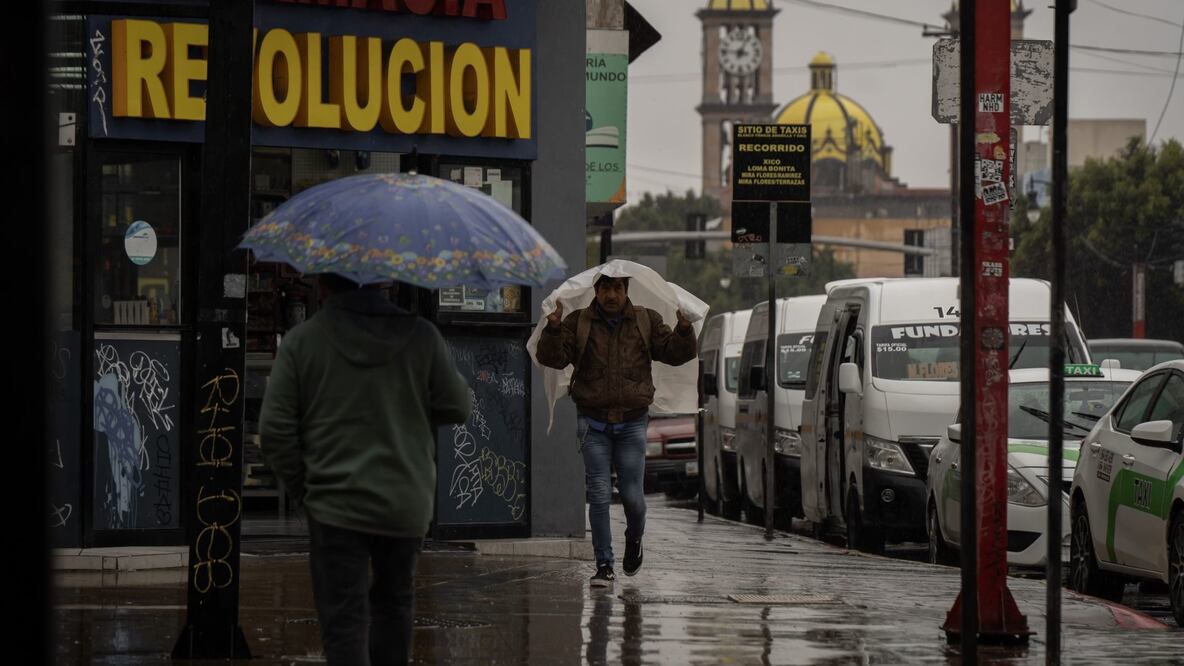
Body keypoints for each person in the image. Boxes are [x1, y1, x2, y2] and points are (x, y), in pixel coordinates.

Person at [260, 275, 471, 666]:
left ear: (323, 286)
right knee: (394, 607)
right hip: (404, 503)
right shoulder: (422, 337)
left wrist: (305, 490)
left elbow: (274, 432)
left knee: (344, 622)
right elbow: (457, 406)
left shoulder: (303, 341)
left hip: (334, 505)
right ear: (385, 283)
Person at [535, 275, 697, 587]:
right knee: (597, 494)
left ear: (626, 291)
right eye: (606, 288)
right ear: (596, 291)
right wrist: (553, 327)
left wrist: (685, 329)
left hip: (633, 422)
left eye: (618, 288)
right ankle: (604, 565)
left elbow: (674, 353)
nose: (612, 294)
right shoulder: (578, 321)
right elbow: (551, 358)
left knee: (633, 497)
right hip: (592, 422)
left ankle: (634, 539)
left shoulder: (645, 320)